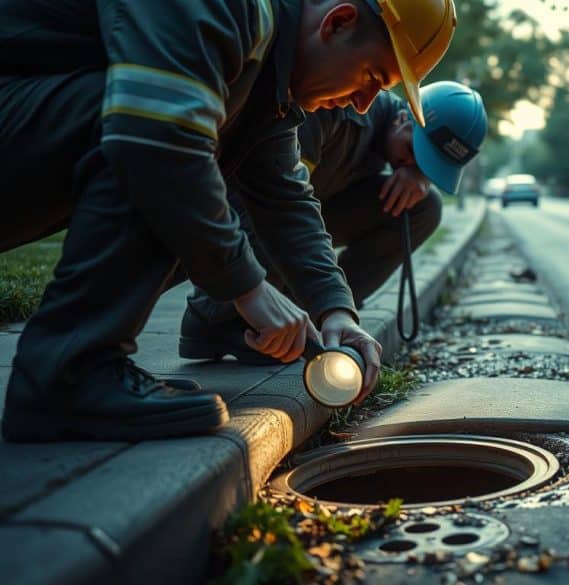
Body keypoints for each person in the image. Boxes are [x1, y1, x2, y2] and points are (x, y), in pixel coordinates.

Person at [0, 0, 457, 442]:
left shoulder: (269, 81)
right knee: (162, 125)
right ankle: (71, 372)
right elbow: (159, 141)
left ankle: (85, 364)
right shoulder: (225, 8)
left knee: (180, 129)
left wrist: (334, 308)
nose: (363, 104)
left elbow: (284, 197)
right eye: (372, 79)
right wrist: (248, 289)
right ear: (338, 22)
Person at [179, 81, 488, 364]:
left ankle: (327, 318)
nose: (411, 164)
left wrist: (419, 175)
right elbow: (280, 203)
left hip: (304, 212)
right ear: (404, 118)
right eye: (414, 151)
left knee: (424, 206)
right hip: (253, 209)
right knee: (275, 212)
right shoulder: (336, 106)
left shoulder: (398, 147)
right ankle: (216, 319)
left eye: (428, 164)